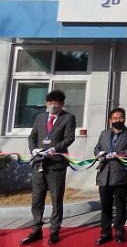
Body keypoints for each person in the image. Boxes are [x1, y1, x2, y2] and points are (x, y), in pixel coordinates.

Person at [21, 89, 76, 246]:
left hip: (56, 164)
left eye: (56, 103)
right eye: (50, 103)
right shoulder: (40, 117)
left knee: (56, 199)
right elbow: (32, 137)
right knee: (37, 199)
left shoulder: (68, 118)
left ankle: (54, 230)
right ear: (46, 103)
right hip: (39, 163)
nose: (53, 106)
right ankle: (36, 229)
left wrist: (54, 148)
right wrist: (33, 150)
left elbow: (69, 138)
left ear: (62, 104)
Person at [94, 108, 127, 245]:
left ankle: (119, 230)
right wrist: (99, 153)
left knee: (120, 204)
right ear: (110, 120)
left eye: (120, 117)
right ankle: (105, 232)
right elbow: (97, 148)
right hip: (104, 174)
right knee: (105, 205)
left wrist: (117, 154)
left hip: (120, 174)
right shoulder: (104, 134)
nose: (117, 120)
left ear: (124, 118)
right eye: (114, 118)